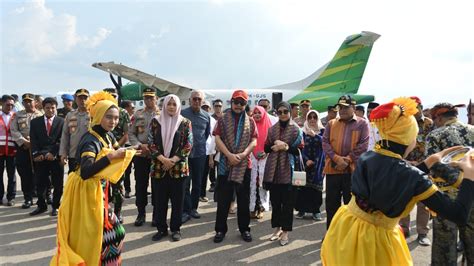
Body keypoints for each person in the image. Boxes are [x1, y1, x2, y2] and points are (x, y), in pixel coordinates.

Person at [321, 97, 474, 265]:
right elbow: (458, 214)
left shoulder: (369, 157)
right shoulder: (412, 177)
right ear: (408, 138)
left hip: (346, 227)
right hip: (375, 241)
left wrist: (428, 162)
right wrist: (469, 176)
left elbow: (395, 177)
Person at [51, 91, 135, 266]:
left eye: (116, 118)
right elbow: (86, 171)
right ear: (97, 116)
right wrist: (111, 157)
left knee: (111, 232)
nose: (113, 122)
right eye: (109, 117)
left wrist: (137, 148)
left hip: (99, 191)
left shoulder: (107, 134)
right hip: (86, 191)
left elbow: (117, 149)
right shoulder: (90, 140)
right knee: (101, 234)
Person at [426, 102, 474, 265]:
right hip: (472, 194)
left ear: (438, 118)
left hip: (446, 198)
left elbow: (434, 166)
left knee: (444, 247)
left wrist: (459, 181)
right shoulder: (473, 130)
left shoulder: (435, 135)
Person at [213, 89, 257, 243]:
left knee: (243, 200)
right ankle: (220, 230)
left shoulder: (250, 121)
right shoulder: (223, 119)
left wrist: (244, 154)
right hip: (226, 164)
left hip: (244, 165)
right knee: (224, 200)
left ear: (245, 104)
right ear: (231, 103)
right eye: (236, 102)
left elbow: (254, 140)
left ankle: (244, 229)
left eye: (242, 103)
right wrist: (229, 155)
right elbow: (217, 138)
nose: (238, 105)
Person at [149, 94, 192, 242]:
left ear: (178, 106)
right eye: (169, 104)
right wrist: (162, 159)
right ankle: (161, 229)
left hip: (178, 169)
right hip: (159, 169)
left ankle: (176, 229)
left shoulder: (185, 123)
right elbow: (151, 143)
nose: (171, 107)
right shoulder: (155, 122)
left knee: (177, 202)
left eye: (174, 104)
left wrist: (172, 160)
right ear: (164, 105)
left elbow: (188, 145)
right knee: (160, 202)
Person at [322, 95, 369, 229]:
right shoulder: (331, 123)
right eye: (340, 107)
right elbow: (325, 143)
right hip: (333, 169)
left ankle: (349, 237)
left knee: (352, 206)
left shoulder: (362, 123)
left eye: (345, 107)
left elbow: (363, 145)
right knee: (331, 205)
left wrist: (347, 160)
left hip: (352, 171)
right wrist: (337, 159)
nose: (342, 110)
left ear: (353, 108)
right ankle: (331, 234)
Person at [263, 101, 303, 246]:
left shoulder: (296, 129)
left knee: (287, 203)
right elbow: (266, 147)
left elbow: (300, 149)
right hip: (273, 170)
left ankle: (285, 232)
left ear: (290, 112)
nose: (283, 114)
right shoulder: (272, 129)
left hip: (289, 170)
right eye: (279, 112)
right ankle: (277, 229)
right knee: (275, 202)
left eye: (285, 111)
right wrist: (275, 146)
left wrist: (285, 147)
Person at [399, 96, 434, 246]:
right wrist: (405, 161)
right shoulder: (404, 122)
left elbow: (433, 145)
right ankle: (404, 229)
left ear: (420, 107)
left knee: (424, 201)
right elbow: (399, 143)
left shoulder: (429, 124)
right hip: (406, 165)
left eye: (416, 107)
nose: (413, 110)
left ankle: (422, 233)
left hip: (425, 166)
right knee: (404, 199)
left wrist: (422, 163)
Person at [129, 87, 159, 226]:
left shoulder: (162, 114)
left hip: (157, 156)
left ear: (156, 99)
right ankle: (141, 213)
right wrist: (140, 145)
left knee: (157, 186)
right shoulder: (138, 114)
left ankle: (156, 214)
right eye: (146, 98)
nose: (148, 100)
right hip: (141, 154)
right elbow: (131, 134)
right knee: (141, 185)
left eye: (151, 97)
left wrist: (152, 148)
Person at [29, 97, 64, 216]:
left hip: (55, 157)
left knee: (58, 183)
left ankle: (56, 206)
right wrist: (37, 154)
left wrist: (53, 153)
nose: (50, 110)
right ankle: (41, 206)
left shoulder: (62, 121)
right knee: (40, 183)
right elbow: (33, 140)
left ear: (56, 108)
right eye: (47, 108)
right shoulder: (35, 122)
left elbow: (62, 140)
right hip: (40, 158)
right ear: (43, 108)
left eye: (53, 108)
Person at [181, 90, 211, 223]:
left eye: (199, 99)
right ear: (189, 100)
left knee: (198, 183)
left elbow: (207, 134)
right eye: (194, 99)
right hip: (185, 154)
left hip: (200, 154)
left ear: (202, 101)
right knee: (185, 183)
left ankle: (194, 208)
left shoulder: (206, 116)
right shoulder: (182, 114)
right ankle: (186, 210)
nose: (197, 101)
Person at [10, 93, 43, 209]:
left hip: (38, 149)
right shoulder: (17, 115)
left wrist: (34, 144)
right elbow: (13, 130)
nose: (28, 103)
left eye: (30, 101)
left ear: (35, 102)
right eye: (25, 101)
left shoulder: (41, 115)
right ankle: (27, 198)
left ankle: (41, 198)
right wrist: (24, 141)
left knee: (39, 174)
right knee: (25, 175)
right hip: (23, 148)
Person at [104, 88, 130, 223]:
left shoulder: (123, 113)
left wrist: (116, 149)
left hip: (118, 152)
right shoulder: (98, 112)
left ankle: (118, 212)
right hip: (103, 154)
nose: (111, 98)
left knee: (118, 186)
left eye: (114, 96)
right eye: (109, 96)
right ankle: (104, 213)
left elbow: (126, 134)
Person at [295, 110, 325, 221]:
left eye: (315, 117)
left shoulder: (323, 131)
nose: (312, 119)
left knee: (316, 189)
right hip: (305, 164)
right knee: (302, 188)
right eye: (310, 117)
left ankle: (316, 211)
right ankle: (301, 210)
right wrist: (306, 160)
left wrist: (315, 136)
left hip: (319, 165)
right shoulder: (302, 132)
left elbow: (326, 145)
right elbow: (299, 148)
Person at [59, 89, 90, 174]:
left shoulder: (93, 114)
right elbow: (65, 135)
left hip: (89, 153)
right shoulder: (70, 115)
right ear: (75, 99)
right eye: (80, 98)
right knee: (73, 179)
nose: (83, 100)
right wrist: (63, 153)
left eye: (85, 98)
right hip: (73, 154)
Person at [249, 106, 271, 219]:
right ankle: (252, 208)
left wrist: (266, 153)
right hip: (251, 156)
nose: (257, 115)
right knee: (252, 183)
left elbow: (271, 142)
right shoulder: (250, 125)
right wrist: (251, 152)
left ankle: (261, 207)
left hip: (265, 157)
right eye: (255, 113)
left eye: (259, 113)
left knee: (262, 183)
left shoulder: (269, 126)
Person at [0, 95, 17, 206]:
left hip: (12, 150)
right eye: (7, 104)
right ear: (2, 103)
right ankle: (0, 197)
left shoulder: (16, 116)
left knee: (12, 175)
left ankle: (11, 197)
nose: (10, 107)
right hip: (0, 150)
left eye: (12, 105)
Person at [200, 100, 216, 203]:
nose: (205, 109)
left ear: (209, 109)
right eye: (203, 107)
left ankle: (202, 194)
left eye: (207, 108)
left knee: (204, 175)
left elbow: (213, 139)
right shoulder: (196, 117)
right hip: (196, 152)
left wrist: (211, 156)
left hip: (207, 152)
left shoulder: (213, 120)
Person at [120, 100, 135, 198]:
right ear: (125, 108)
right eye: (132, 107)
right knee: (126, 170)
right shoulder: (119, 119)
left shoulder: (136, 118)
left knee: (138, 170)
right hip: (125, 146)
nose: (133, 109)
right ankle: (127, 189)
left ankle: (141, 190)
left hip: (135, 146)